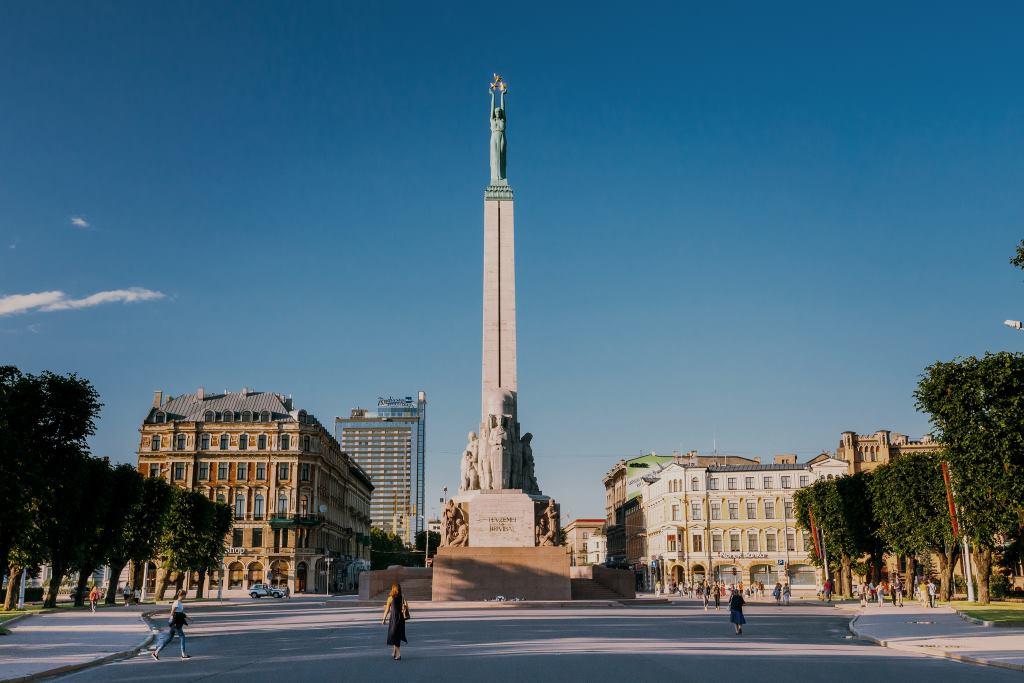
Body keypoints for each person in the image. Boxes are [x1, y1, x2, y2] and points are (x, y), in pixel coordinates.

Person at [152, 590, 189, 660]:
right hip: (175, 623)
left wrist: (188, 618)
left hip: (177, 623)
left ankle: (155, 653)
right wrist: (171, 619)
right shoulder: (177, 603)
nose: (185, 597)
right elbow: (172, 611)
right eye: (185, 595)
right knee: (182, 637)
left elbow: (181, 613)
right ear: (182, 595)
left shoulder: (179, 603)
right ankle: (183, 654)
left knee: (169, 639)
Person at [382, 582, 409, 660]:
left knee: (394, 635)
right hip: (401, 618)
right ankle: (394, 652)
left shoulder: (390, 598)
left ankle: (399, 654)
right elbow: (406, 606)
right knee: (397, 635)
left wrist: (383, 619)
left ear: (393, 589)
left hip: (394, 619)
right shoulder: (402, 597)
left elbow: (387, 610)